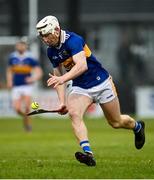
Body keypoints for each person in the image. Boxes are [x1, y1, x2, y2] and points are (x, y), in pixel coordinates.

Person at [36, 15, 145, 166]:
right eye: (42, 37)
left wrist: (63, 79)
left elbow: (82, 66)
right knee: (74, 114)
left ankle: (137, 127)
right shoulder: (51, 51)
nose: (45, 40)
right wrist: (62, 102)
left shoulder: (73, 40)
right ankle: (88, 153)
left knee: (116, 122)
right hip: (81, 87)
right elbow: (58, 76)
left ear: (56, 30)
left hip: (101, 83)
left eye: (47, 35)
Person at [6, 40, 43, 132]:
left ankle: (28, 125)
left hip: (27, 86)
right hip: (16, 86)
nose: (20, 47)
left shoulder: (30, 58)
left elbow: (39, 72)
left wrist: (33, 79)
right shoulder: (12, 57)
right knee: (17, 109)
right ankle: (27, 118)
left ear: (25, 47)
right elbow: (9, 71)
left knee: (27, 107)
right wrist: (9, 81)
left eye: (22, 46)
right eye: (18, 46)